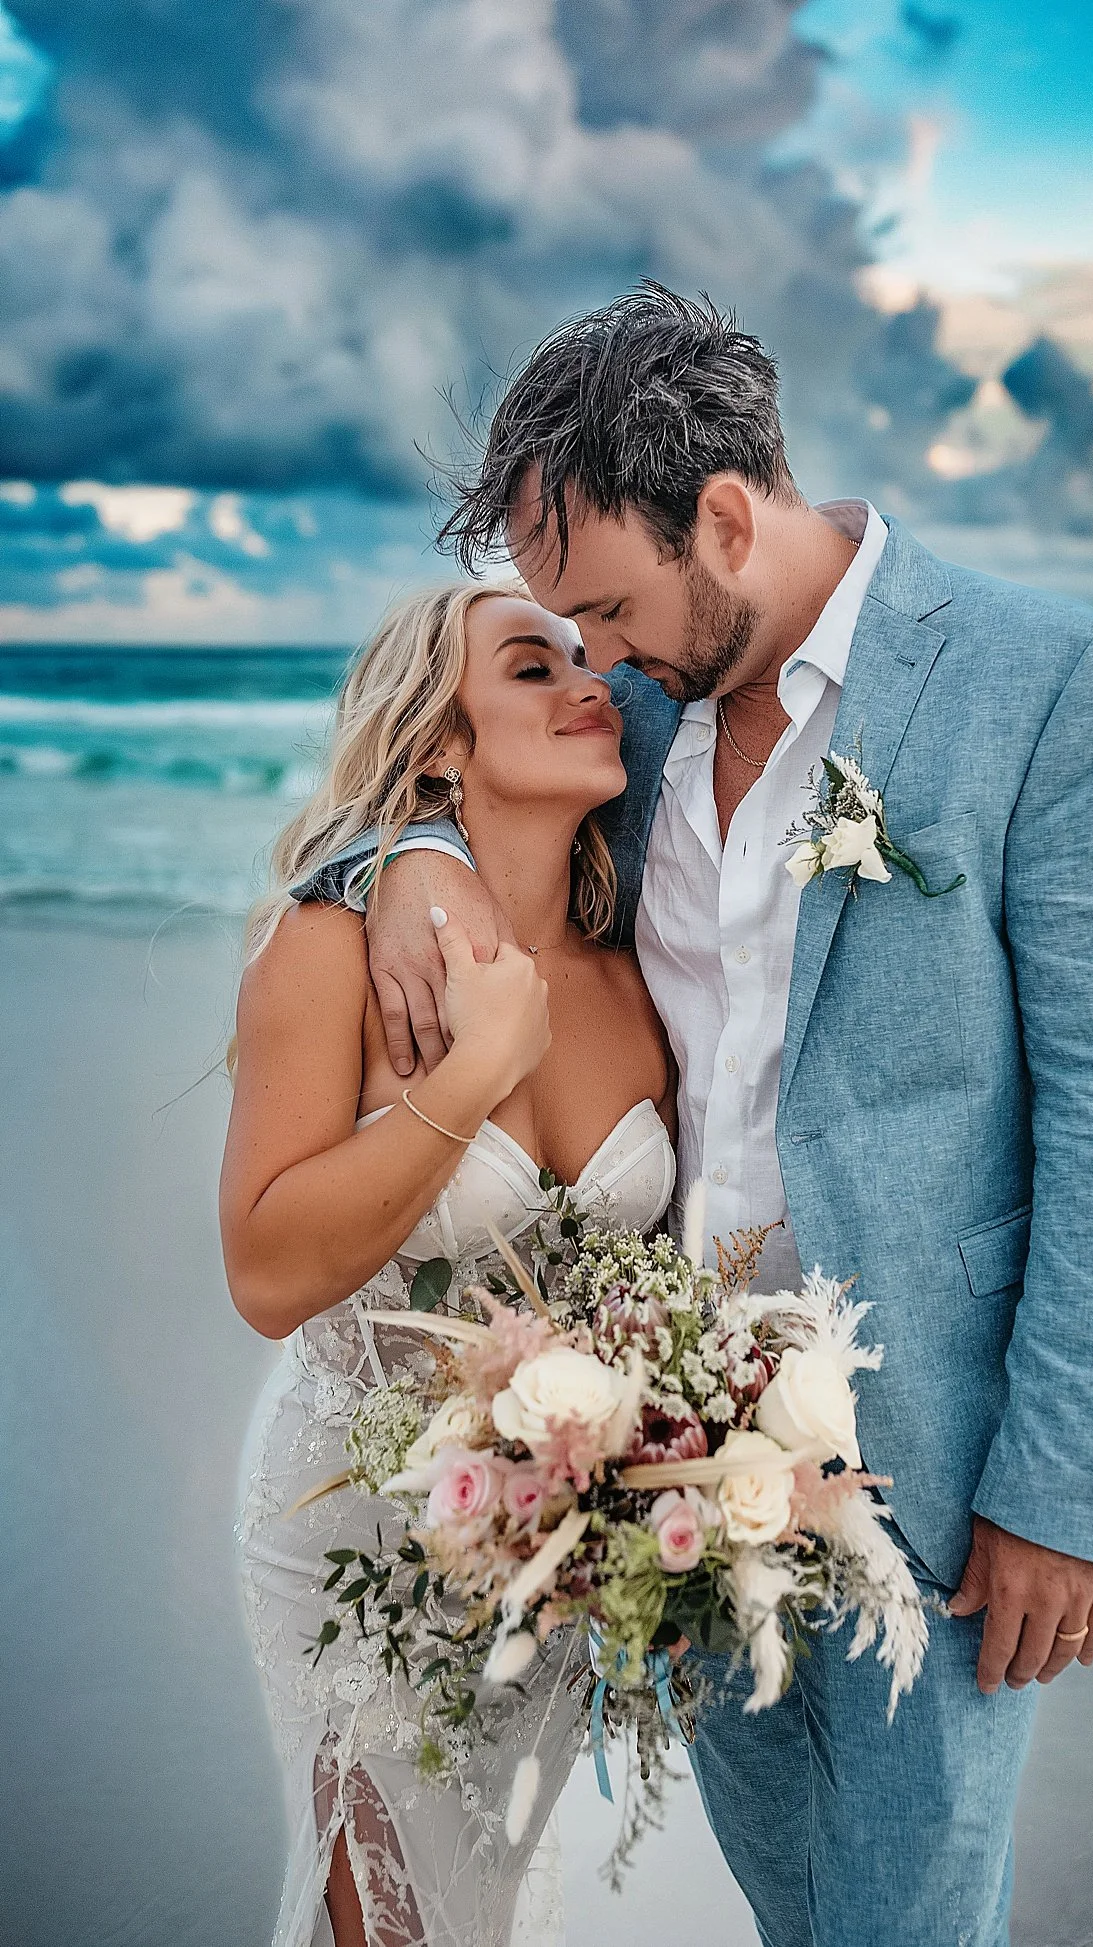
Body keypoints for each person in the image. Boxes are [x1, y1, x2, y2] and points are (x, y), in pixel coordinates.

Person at [300, 287, 1093, 1947]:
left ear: (726, 513)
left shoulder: (1047, 681)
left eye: (607, 606)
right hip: (667, 1461)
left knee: (908, 1924)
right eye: (563, 628)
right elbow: (439, 796)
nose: (594, 655)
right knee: (794, 1910)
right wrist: (403, 868)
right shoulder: (634, 719)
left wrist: (1065, 1491)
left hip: (936, 1469)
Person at [221, 582, 676, 1947]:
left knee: (512, 1902)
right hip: (346, 1517)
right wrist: (473, 1072)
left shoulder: (641, 966)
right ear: (437, 743)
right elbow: (264, 1272)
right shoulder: (331, 945)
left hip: (550, 1542)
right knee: (390, 1914)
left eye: (590, 660)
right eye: (532, 668)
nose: (588, 684)